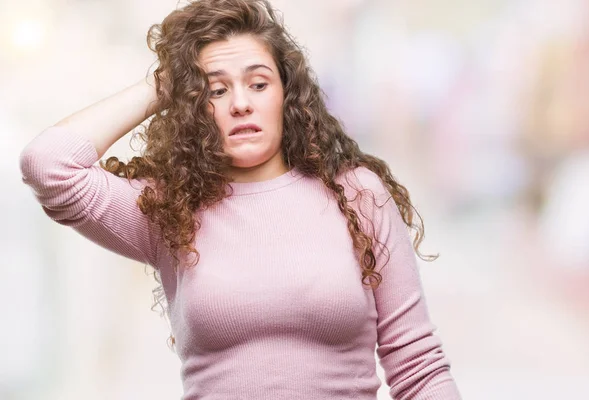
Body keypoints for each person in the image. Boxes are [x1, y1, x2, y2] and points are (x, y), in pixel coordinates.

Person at [19, 0, 462, 398]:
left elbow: (419, 369)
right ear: (191, 103)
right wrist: (165, 82)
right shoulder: (170, 209)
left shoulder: (358, 195)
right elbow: (49, 165)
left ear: (287, 93)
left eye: (258, 84)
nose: (240, 104)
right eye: (215, 89)